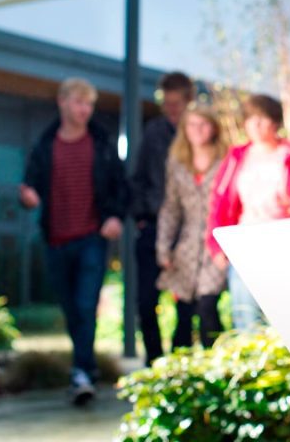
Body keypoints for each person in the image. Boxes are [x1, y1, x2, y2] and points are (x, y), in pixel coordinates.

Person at [19, 77, 128, 405]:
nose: (85, 110)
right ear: (63, 102)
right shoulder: (45, 146)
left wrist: (114, 217)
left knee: (85, 305)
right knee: (71, 308)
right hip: (56, 239)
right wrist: (28, 196)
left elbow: (121, 187)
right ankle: (84, 368)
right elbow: (29, 186)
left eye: (90, 105)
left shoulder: (102, 144)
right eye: (80, 103)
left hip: (91, 238)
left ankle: (83, 372)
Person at [206, 94, 290, 330]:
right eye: (250, 119)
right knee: (246, 315)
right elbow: (220, 202)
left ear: (275, 123)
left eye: (262, 119)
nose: (255, 125)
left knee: (283, 316)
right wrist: (216, 244)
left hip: (283, 243)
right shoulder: (237, 157)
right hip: (244, 240)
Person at [129, 71, 195, 365]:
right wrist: (142, 217)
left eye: (176, 103)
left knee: (186, 304)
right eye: (166, 103)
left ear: (188, 102)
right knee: (145, 301)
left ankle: (179, 363)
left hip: (187, 233)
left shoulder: (198, 133)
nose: (171, 109)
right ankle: (153, 362)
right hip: (152, 227)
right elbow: (139, 177)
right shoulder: (154, 132)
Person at [156, 105, 230, 349]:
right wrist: (164, 246)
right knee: (184, 311)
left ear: (214, 127)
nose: (198, 131)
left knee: (208, 306)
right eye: (192, 125)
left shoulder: (226, 161)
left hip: (216, 245)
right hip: (187, 246)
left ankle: (216, 365)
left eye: (203, 124)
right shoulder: (177, 163)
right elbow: (171, 208)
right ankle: (182, 371)